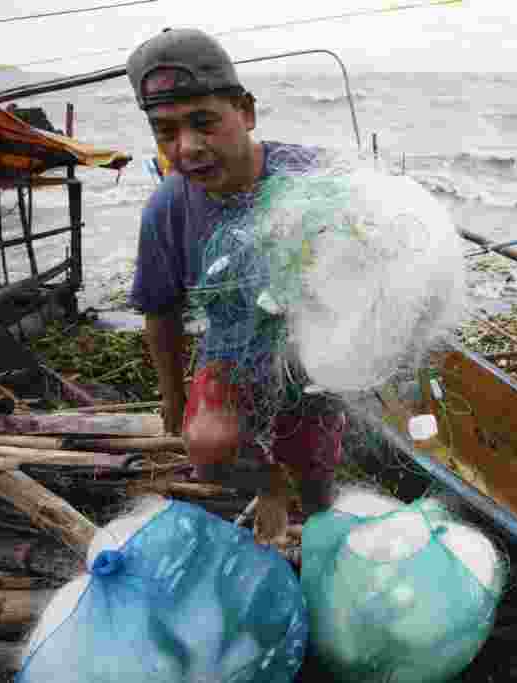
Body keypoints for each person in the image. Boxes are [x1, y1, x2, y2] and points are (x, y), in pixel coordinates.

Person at [125, 28, 346, 528]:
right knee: (207, 445)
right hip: (230, 355)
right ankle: (265, 485)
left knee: (315, 473)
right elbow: (160, 311)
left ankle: (312, 507)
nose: (188, 148)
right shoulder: (168, 208)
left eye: (204, 122)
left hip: (311, 359)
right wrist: (174, 401)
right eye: (166, 132)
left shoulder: (315, 183)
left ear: (245, 112)